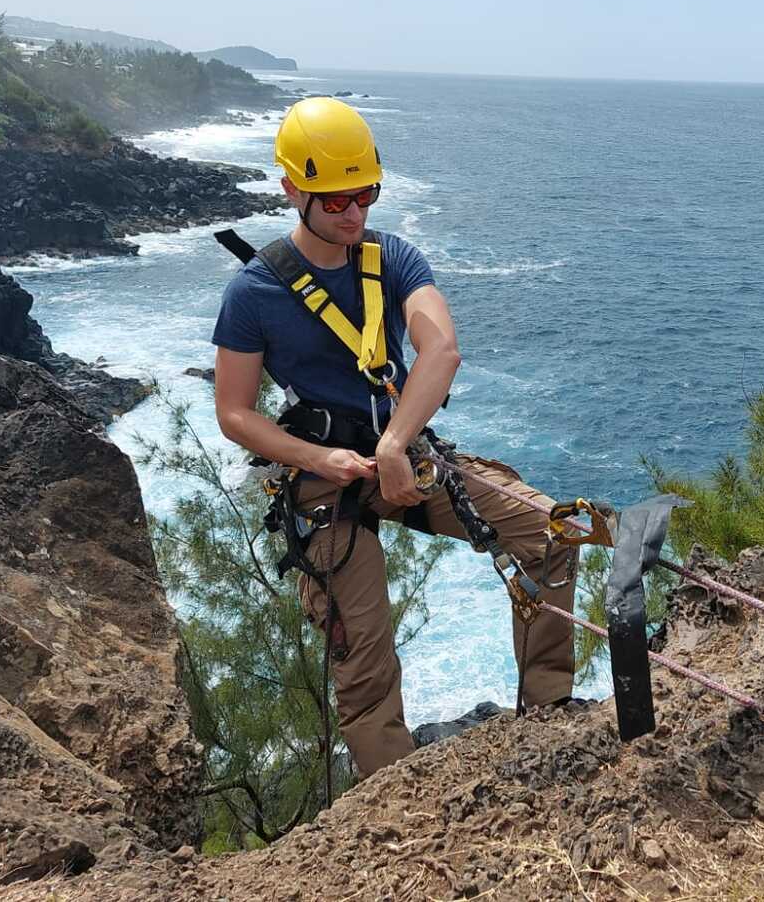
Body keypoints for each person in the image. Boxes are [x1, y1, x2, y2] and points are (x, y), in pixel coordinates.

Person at [210, 96, 576, 776]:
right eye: (334, 199)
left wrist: (394, 444)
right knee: (366, 652)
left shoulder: (392, 258)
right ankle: (395, 799)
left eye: (365, 194)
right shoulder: (255, 292)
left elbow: (440, 351)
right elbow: (235, 414)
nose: (353, 213)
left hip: (402, 451)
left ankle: (549, 719)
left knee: (548, 531)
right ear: (293, 191)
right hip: (323, 479)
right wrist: (320, 456)